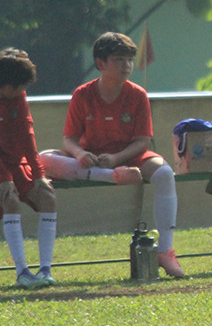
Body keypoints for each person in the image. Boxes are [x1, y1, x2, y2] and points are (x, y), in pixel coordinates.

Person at [39, 32, 184, 277]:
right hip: (92, 160)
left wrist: (117, 159)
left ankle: (165, 251)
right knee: (43, 158)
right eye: (118, 60)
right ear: (100, 63)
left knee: (165, 174)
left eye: (129, 60)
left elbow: (142, 141)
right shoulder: (82, 94)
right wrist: (80, 153)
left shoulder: (138, 94)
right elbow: (69, 139)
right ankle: (109, 175)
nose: (126, 65)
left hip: (128, 158)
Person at [0, 49, 58, 289]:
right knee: (10, 201)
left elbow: (27, 134)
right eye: (20, 86)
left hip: (16, 162)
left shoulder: (18, 97)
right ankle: (22, 272)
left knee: (47, 197)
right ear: (6, 85)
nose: (23, 91)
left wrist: (38, 175)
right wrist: (4, 179)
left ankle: (45, 271)